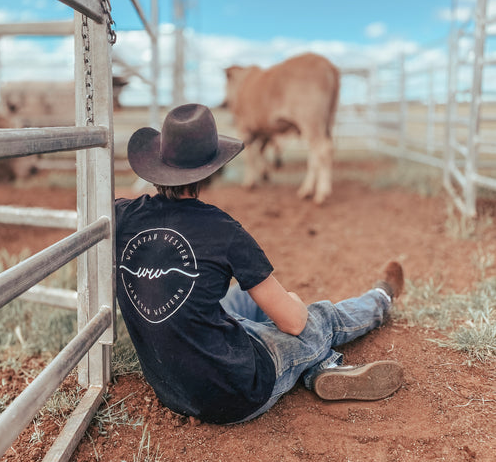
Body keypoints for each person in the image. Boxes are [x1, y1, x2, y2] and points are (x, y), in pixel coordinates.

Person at [115, 103, 405, 425]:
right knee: (317, 318)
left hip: (172, 389)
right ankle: (381, 298)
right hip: (237, 392)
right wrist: (294, 304)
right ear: (211, 169)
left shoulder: (121, 217)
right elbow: (294, 322)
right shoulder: (223, 231)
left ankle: (321, 368)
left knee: (233, 301)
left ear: (158, 164)